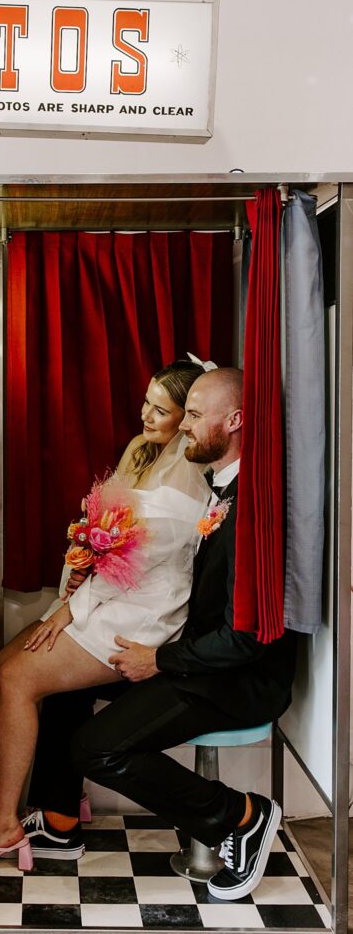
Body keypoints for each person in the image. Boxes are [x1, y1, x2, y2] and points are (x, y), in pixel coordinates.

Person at [26, 368, 296, 902]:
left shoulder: (251, 514)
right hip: (199, 660)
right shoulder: (221, 490)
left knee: (97, 751)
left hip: (233, 680)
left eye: (195, 416)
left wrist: (162, 659)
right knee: (62, 687)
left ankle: (240, 817)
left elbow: (247, 639)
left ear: (236, 420)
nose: (184, 428)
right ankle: (59, 821)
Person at [0, 360, 210, 866]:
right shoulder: (142, 449)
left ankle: (3, 827)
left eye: (162, 409)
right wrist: (78, 566)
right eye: (147, 401)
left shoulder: (188, 472)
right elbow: (106, 538)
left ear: (188, 419)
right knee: (7, 662)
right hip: (112, 599)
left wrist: (66, 612)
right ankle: (61, 809)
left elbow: (143, 555)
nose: (146, 415)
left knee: (18, 678)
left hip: (144, 615)